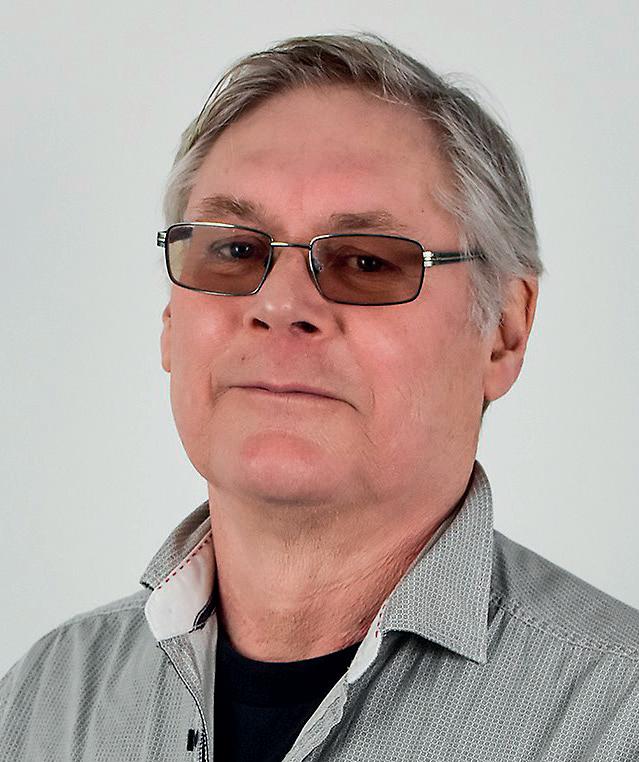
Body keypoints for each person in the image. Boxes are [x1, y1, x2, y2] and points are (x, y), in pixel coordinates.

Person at [1, 32, 637, 762]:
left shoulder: (619, 716)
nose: (279, 305)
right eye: (235, 250)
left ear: (503, 332)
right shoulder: (43, 702)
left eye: (366, 261)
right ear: (171, 322)